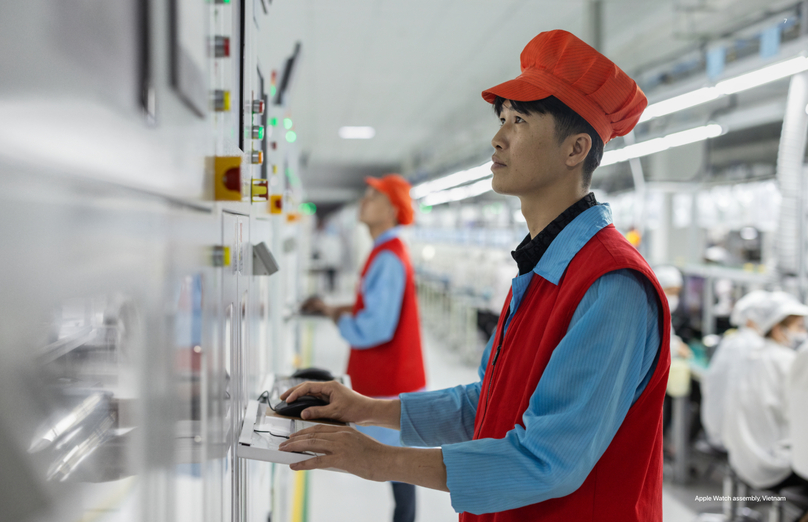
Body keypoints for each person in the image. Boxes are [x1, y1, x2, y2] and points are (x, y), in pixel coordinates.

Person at [282, 30, 670, 521]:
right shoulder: (541, 268)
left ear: (576, 149)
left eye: (520, 120)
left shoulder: (611, 285)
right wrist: (366, 408)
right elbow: (487, 405)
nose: (498, 136)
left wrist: (379, 459)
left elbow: (548, 461)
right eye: (503, 118)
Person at [301, 174, 426, 522]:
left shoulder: (388, 256)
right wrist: (339, 308)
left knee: (399, 467)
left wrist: (338, 319)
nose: (364, 201)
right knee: (398, 464)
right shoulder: (385, 251)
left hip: (392, 378)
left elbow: (376, 327)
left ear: (391, 209)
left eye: (373, 196)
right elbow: (375, 307)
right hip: (392, 375)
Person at [723, 291, 808, 491]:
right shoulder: (785, 360)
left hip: (742, 455)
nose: (803, 333)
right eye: (799, 327)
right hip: (771, 462)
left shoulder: (753, 354)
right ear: (778, 328)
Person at [701, 290, 768, 448]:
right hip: (739, 438)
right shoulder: (755, 347)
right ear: (751, 319)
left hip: (716, 427)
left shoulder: (734, 340)